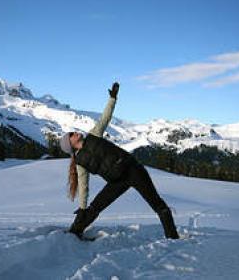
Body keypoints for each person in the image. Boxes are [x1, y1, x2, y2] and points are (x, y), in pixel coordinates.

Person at [59, 82, 179, 239]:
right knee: (94, 207)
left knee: (157, 203)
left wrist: (112, 98)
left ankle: (172, 237)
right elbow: (83, 186)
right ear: (71, 145)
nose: (74, 133)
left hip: (133, 170)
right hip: (116, 182)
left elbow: (105, 118)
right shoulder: (80, 162)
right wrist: (82, 208)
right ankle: (74, 233)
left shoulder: (93, 135)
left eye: (72, 133)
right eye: (71, 135)